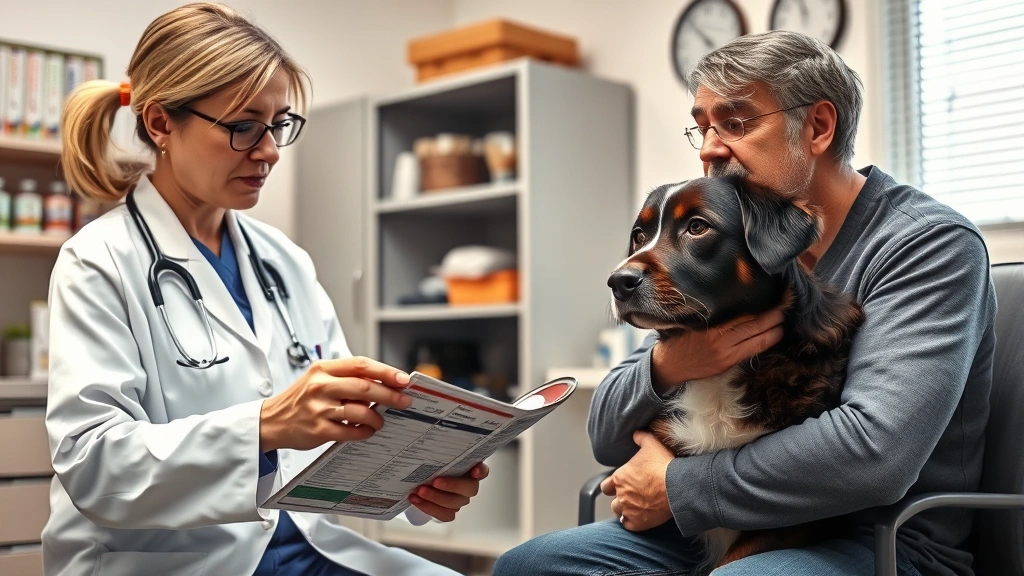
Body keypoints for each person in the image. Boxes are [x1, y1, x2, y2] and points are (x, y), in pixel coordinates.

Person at [494, 30, 995, 576]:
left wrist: (677, 487)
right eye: (703, 126)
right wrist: (670, 364)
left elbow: (874, 454)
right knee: (531, 564)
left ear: (819, 127)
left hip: (875, 540)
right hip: (710, 530)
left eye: (735, 122)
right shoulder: (740, 246)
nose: (709, 148)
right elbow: (607, 436)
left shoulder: (928, 244)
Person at [43, 4, 488, 575]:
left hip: (299, 543)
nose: (271, 150)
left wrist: (416, 474)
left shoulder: (283, 261)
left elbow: (339, 428)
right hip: (168, 562)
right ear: (159, 124)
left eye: (277, 125)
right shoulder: (98, 260)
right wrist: (266, 425)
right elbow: (94, 466)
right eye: (243, 127)